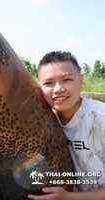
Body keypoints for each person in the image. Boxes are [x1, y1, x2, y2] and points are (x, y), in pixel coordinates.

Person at [28, 51, 105, 200]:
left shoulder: (100, 119)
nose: (58, 89)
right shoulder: (42, 121)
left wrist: (68, 197)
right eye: (48, 83)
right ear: (39, 87)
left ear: (81, 80)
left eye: (66, 79)